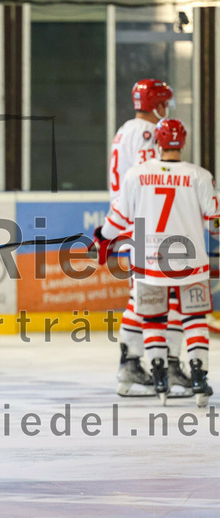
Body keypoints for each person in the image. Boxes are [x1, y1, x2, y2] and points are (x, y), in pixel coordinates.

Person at [94, 118, 218, 407]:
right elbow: (215, 224)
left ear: (158, 143)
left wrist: (101, 237)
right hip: (190, 263)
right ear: (183, 142)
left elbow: (118, 218)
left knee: (153, 319)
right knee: (194, 319)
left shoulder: (137, 174)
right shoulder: (200, 175)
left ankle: (159, 377)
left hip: (149, 263)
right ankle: (199, 378)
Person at [105, 79, 192, 398]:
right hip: (146, 227)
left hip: (132, 224)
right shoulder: (146, 134)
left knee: (142, 297)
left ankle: (131, 363)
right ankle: (168, 365)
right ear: (156, 105)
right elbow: (150, 180)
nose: (167, 109)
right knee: (166, 297)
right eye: (165, 103)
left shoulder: (125, 130)